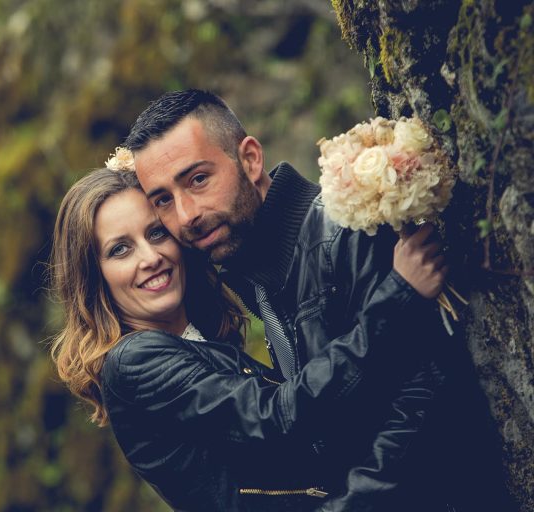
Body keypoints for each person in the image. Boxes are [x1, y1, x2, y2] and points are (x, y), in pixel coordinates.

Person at [123, 89, 512, 511]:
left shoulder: (349, 231)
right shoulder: (257, 282)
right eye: (163, 199)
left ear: (250, 160)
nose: (185, 215)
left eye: (198, 179)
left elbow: (424, 404)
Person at [49, 166, 453, 511]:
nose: (150, 257)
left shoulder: (198, 341)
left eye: (156, 233)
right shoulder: (135, 361)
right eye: (120, 249)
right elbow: (274, 417)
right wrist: (399, 296)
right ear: (93, 276)